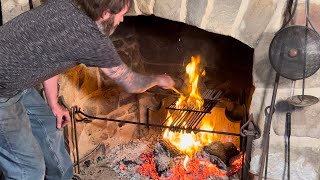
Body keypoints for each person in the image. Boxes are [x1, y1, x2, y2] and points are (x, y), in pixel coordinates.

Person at [0, 0, 175, 179]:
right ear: (106, 14)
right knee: (28, 168)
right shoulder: (91, 39)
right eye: (121, 14)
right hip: (2, 91)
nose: (122, 20)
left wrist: (53, 103)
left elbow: (50, 58)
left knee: (49, 128)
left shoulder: (66, 5)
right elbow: (130, 82)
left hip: (15, 83)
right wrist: (159, 79)